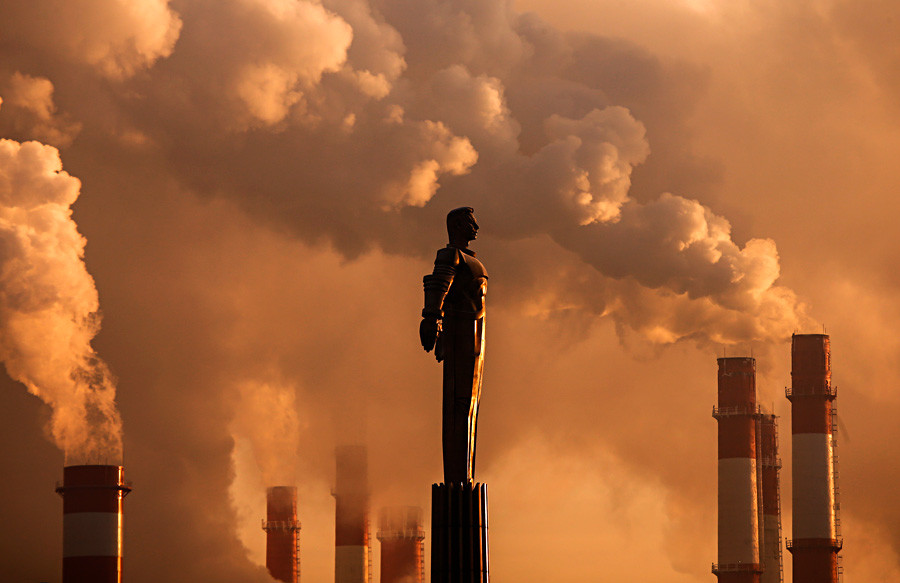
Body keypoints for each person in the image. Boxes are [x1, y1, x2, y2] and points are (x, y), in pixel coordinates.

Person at [420, 207, 488, 484]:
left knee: (470, 406)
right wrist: (431, 317)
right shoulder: (452, 256)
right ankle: (457, 480)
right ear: (458, 225)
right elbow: (438, 284)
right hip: (460, 334)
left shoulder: (474, 261)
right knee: (459, 403)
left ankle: (465, 478)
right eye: (472, 223)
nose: (477, 228)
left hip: (477, 339)